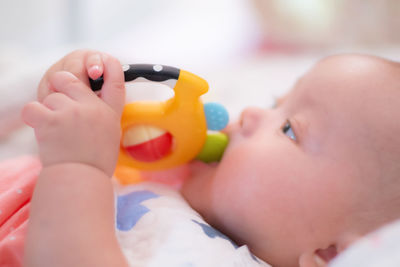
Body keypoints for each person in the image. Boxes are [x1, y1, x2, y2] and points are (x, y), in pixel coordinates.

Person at [18, 50, 400, 267]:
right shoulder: (180, 174)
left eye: (289, 129)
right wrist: (79, 94)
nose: (250, 112)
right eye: (274, 103)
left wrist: (76, 166)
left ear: (332, 254)